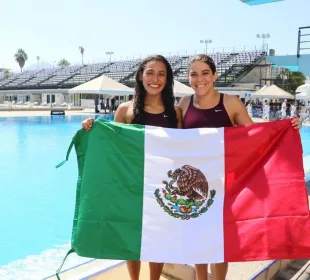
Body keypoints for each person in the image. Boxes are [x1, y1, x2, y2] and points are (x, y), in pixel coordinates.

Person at [178, 54, 301, 280]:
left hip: (226, 185)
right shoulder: (184, 104)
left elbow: (255, 138)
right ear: (188, 77)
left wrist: (287, 127)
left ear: (215, 75)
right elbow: (172, 141)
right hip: (197, 186)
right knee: (198, 238)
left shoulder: (230, 103)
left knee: (219, 241)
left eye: (205, 73)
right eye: (193, 74)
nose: (199, 79)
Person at [82, 54, 182, 280]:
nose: (155, 79)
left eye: (161, 74)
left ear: (167, 79)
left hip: (163, 186)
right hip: (130, 186)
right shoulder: (125, 110)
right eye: (150, 73)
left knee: (159, 240)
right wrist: (92, 127)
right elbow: (111, 146)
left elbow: (184, 150)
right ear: (140, 75)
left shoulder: (175, 113)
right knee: (131, 237)